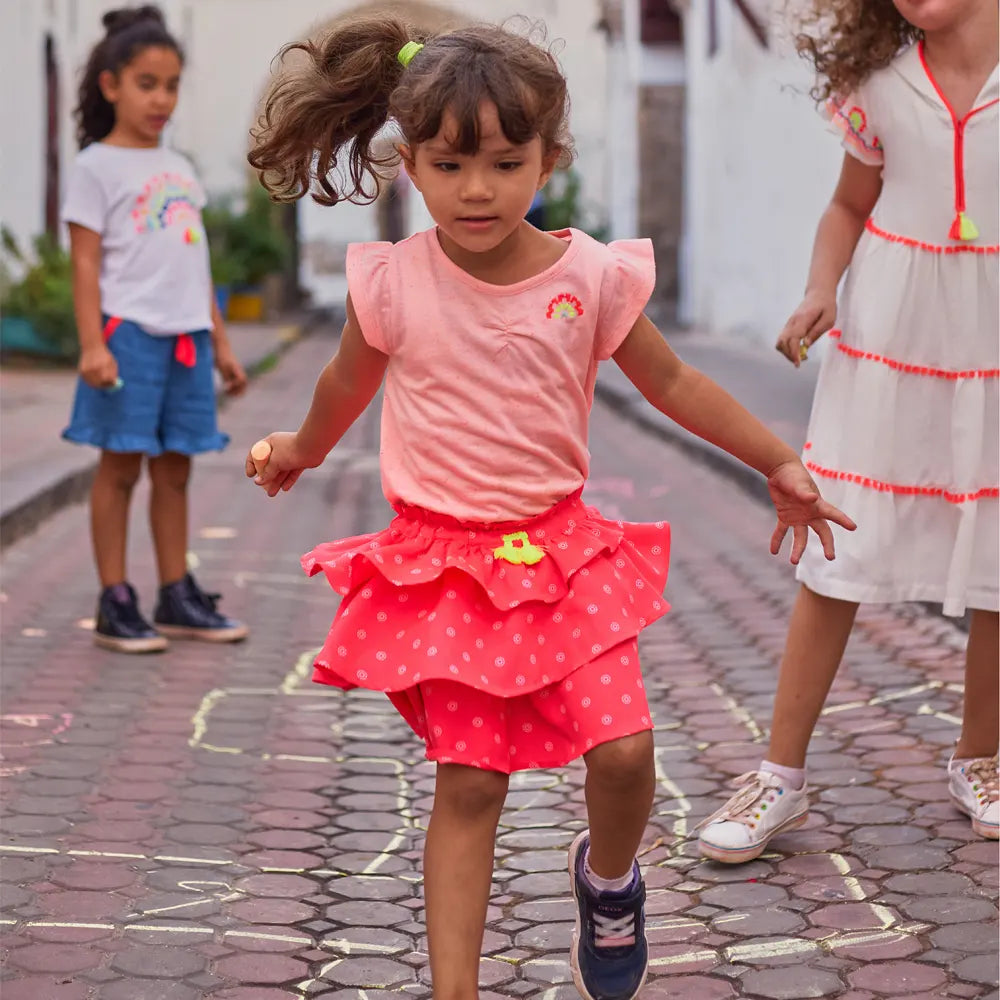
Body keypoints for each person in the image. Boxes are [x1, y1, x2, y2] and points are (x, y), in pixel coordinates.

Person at [244, 16, 855, 1000]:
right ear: (411, 163)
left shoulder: (590, 277)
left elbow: (674, 382)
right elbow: (343, 385)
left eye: (504, 163)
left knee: (626, 753)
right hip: (445, 569)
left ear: (549, 158)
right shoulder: (392, 283)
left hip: (564, 557)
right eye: (450, 166)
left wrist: (777, 458)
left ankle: (608, 883)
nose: (476, 190)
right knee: (469, 783)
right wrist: (299, 450)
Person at [698, 0, 998, 864]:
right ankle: (778, 777)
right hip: (890, 340)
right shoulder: (877, 85)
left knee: (996, 552)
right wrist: (820, 288)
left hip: (993, 343)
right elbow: (845, 206)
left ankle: (983, 760)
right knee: (836, 546)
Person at [62, 5, 249, 653]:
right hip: (128, 338)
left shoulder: (179, 167)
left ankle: (175, 593)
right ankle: (115, 599)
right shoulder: (96, 167)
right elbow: (84, 263)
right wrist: (93, 345)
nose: (162, 99)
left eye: (171, 86)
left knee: (175, 471)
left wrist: (220, 342)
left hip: (188, 342)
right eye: (147, 84)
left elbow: (195, 261)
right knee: (119, 468)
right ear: (111, 85)